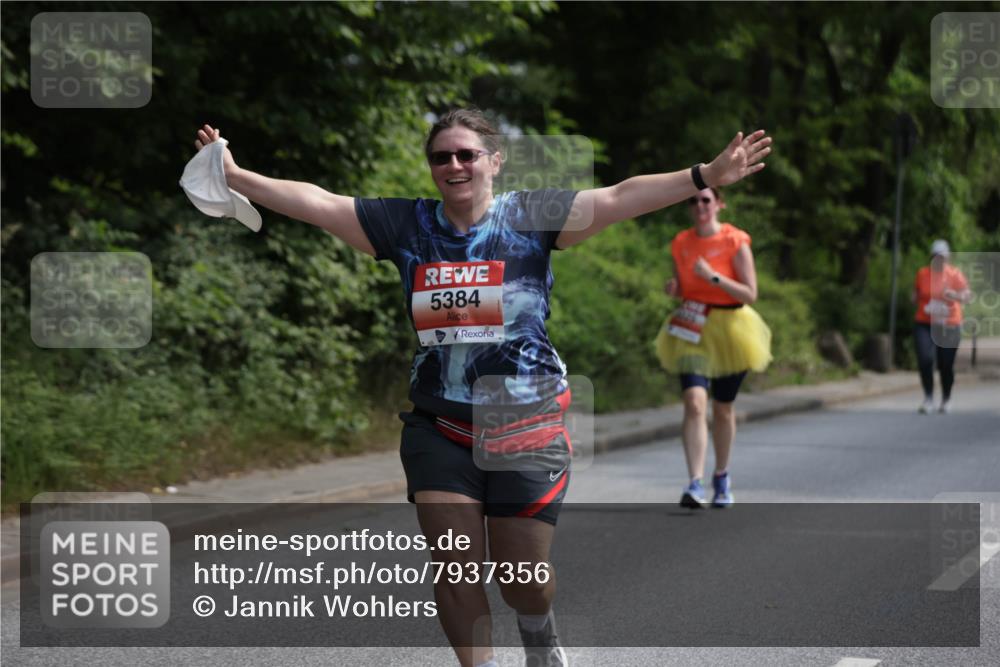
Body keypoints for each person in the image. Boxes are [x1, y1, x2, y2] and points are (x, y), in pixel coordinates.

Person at [192, 110, 770, 666]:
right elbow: (319, 202)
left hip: (526, 419)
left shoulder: (532, 216)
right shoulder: (407, 225)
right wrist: (238, 177)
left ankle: (537, 629)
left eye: (467, 154)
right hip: (438, 425)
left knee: (524, 583)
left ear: (494, 161)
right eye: (442, 157)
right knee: (455, 566)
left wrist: (705, 177)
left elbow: (620, 197)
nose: (454, 165)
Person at [654, 187, 771, 509]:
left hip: (733, 330)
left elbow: (750, 294)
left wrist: (714, 277)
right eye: (693, 200)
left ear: (719, 204)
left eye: (706, 199)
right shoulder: (681, 242)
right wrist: (675, 288)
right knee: (693, 402)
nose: (699, 205)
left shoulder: (735, 240)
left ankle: (722, 474)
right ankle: (695, 483)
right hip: (692, 326)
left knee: (722, 408)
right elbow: (683, 286)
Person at [911, 239, 971, 414]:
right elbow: (916, 293)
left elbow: (967, 296)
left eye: (942, 257)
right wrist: (913, 298)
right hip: (925, 322)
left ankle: (946, 397)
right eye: (936, 256)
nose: (939, 260)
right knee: (925, 359)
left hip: (949, 324)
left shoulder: (955, 274)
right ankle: (928, 397)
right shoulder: (922, 273)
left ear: (948, 258)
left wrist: (955, 295)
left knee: (946, 364)